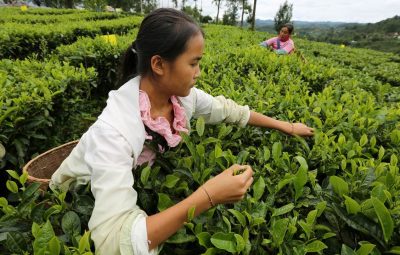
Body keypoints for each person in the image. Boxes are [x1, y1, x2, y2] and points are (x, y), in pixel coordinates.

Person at [50, 8, 314, 255]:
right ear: (159, 64)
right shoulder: (114, 131)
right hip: (73, 203)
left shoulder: (181, 98)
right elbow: (112, 240)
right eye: (193, 63)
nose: (198, 72)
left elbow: (232, 112)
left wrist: (288, 127)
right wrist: (209, 196)